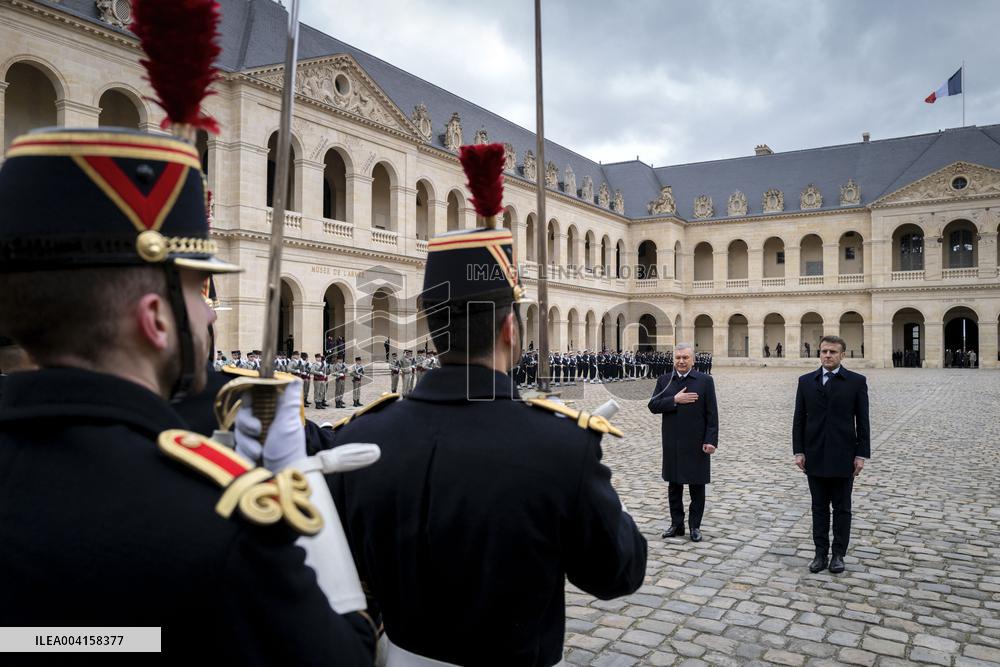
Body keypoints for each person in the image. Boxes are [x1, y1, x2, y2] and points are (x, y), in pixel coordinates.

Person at [0, 127, 372, 662]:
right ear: (154, 318)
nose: (213, 312)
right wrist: (297, 486)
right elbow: (347, 655)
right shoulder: (220, 521)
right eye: (199, 288)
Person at [327, 226, 646, 666]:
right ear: (511, 329)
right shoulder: (559, 446)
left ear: (433, 326)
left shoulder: (358, 437)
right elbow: (617, 573)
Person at [793, 335, 870, 574]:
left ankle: (838, 554)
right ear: (819, 353)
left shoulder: (856, 382)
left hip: (843, 454)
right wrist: (798, 451)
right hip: (814, 454)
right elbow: (798, 420)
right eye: (824, 351)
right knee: (818, 508)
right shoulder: (806, 381)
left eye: (833, 352)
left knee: (842, 508)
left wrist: (861, 454)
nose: (828, 355)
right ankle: (819, 553)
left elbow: (863, 421)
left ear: (842, 355)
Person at [647, 343, 718, 542]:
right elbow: (653, 405)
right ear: (673, 359)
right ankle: (676, 524)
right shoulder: (664, 381)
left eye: (685, 358)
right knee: (674, 485)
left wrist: (711, 440)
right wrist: (674, 400)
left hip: (697, 443)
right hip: (673, 442)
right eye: (678, 358)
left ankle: (695, 526)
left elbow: (712, 414)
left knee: (697, 486)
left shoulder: (705, 381)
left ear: (692, 360)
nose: (681, 361)